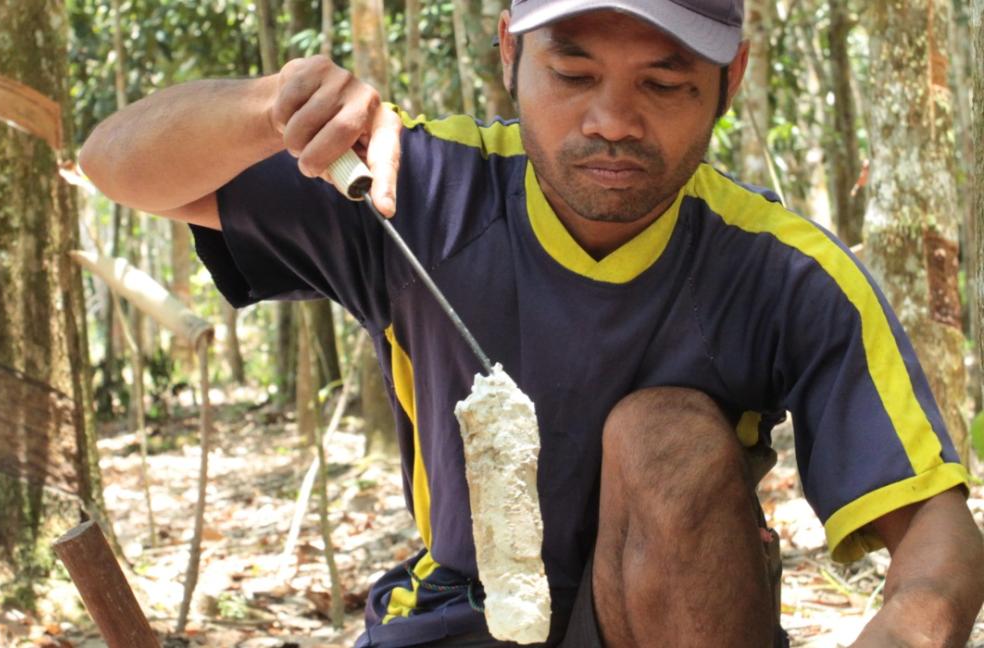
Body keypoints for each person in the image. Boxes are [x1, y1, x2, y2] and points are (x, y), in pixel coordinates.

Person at [80, 0, 984, 645]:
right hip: (459, 611)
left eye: (664, 83)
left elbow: (936, 535)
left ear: (730, 77)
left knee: (662, 434)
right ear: (508, 51)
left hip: (675, 617)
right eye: (574, 71)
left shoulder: (786, 273)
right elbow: (113, 165)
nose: (612, 122)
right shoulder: (418, 189)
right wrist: (273, 107)